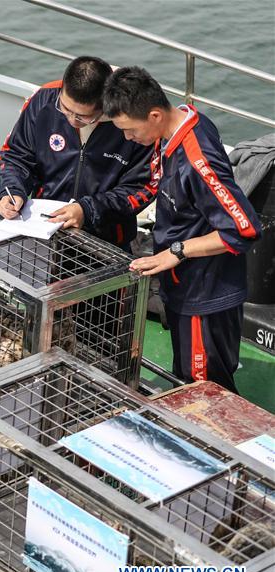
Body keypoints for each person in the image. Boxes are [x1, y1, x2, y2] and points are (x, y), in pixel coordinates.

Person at [101, 66, 261, 392]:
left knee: (204, 387)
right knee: (186, 375)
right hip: (182, 287)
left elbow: (243, 229)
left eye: (130, 130)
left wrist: (177, 251)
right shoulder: (176, 128)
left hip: (205, 294)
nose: (128, 138)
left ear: (155, 115)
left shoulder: (196, 159)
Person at [0, 56, 154, 250]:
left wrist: (87, 210)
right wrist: (11, 191)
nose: (72, 120)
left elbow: (142, 186)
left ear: (105, 105)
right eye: (65, 109)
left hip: (106, 240)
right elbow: (15, 154)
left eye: (83, 117)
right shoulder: (44, 99)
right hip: (42, 228)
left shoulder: (135, 123)